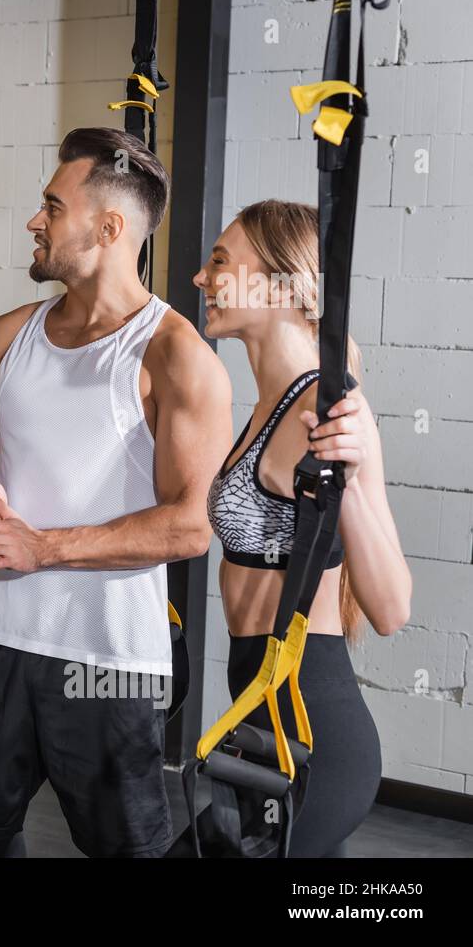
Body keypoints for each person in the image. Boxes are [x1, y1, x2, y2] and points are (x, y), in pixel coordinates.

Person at [0, 127, 232, 857]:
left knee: (125, 847)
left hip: (107, 660)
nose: (36, 221)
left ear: (109, 226)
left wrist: (43, 547)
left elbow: (191, 526)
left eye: (51, 206)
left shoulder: (174, 354)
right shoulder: (10, 334)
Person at [192, 198, 410, 856]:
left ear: (283, 285)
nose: (201, 278)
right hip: (258, 717)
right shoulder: (267, 403)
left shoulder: (331, 409)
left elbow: (392, 606)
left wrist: (348, 473)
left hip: (315, 730)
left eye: (220, 261)